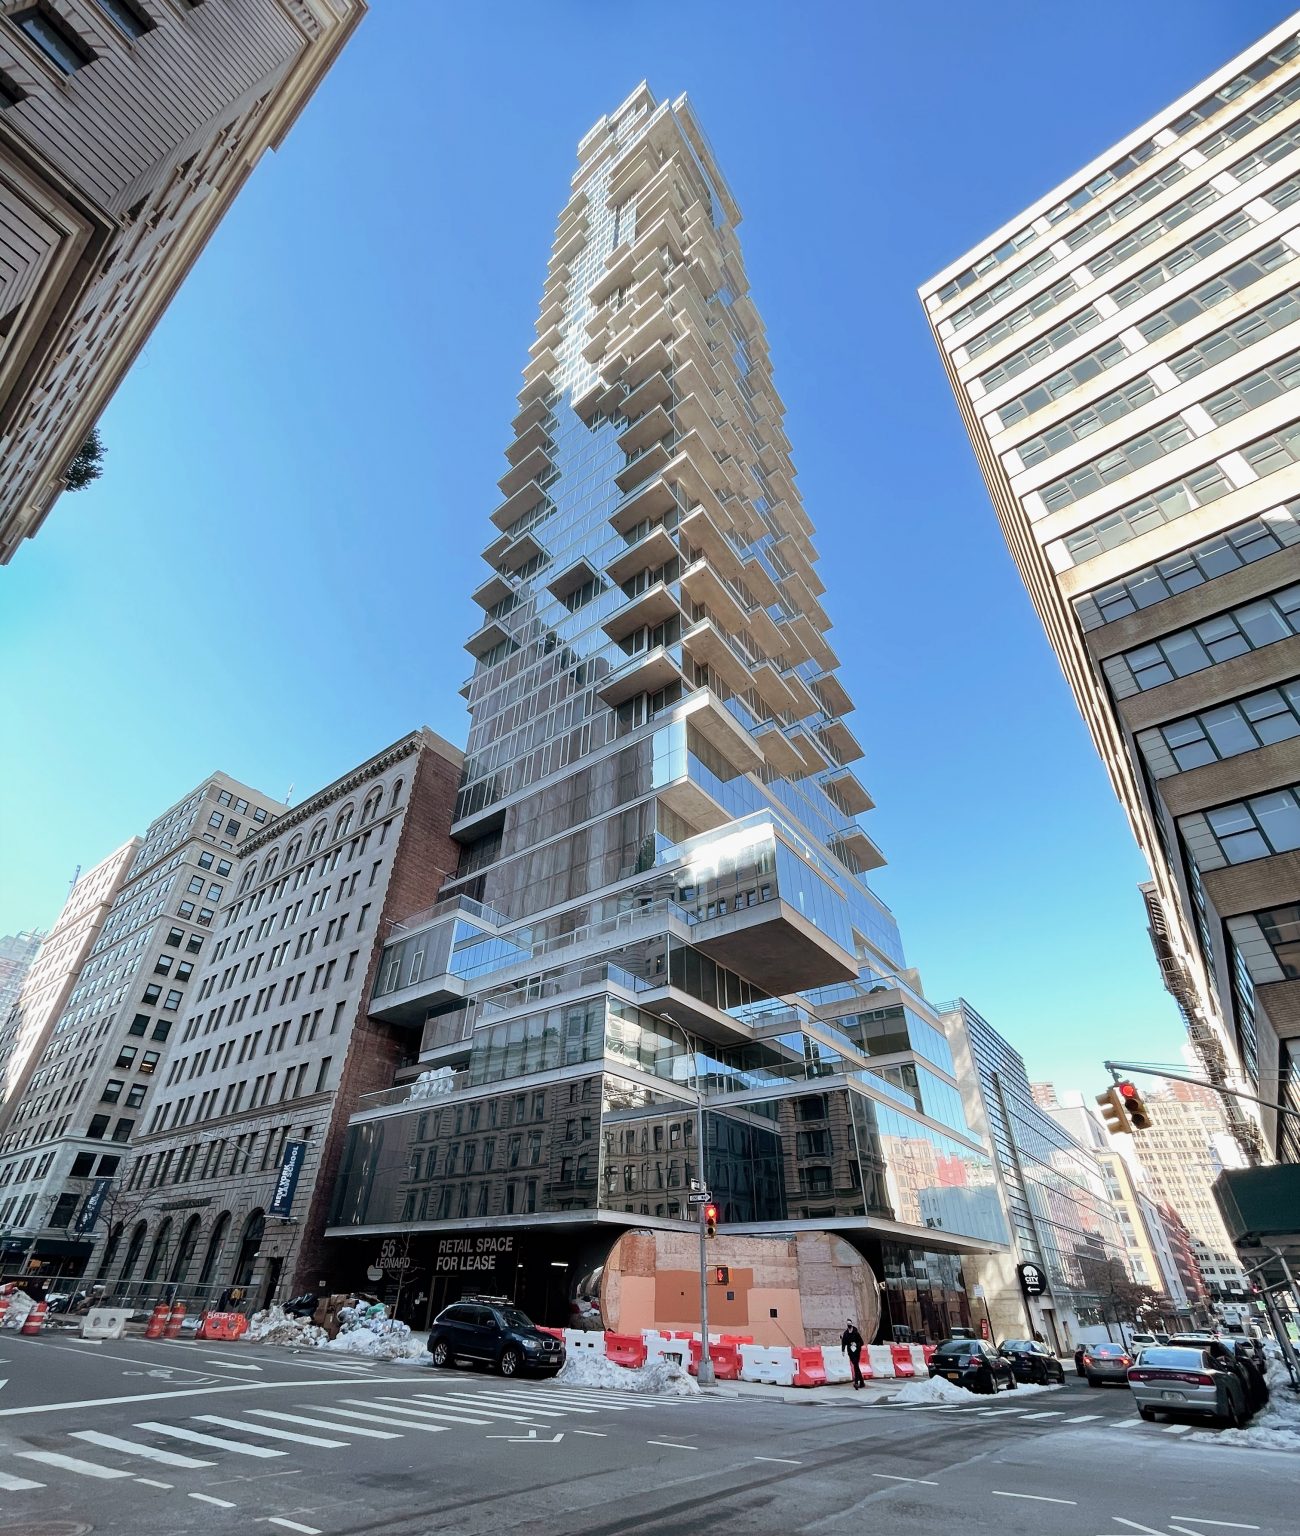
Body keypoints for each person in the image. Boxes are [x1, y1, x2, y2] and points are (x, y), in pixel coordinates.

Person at [841, 1319, 866, 1389]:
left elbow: (862, 1342)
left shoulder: (856, 1332)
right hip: (850, 1352)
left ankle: (856, 1382)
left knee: (855, 1365)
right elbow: (844, 1342)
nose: (849, 1325)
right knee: (856, 1366)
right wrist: (843, 1350)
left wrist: (856, 1344)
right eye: (847, 1324)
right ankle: (862, 1382)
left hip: (857, 1351)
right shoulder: (845, 1333)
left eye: (849, 1324)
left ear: (852, 1324)